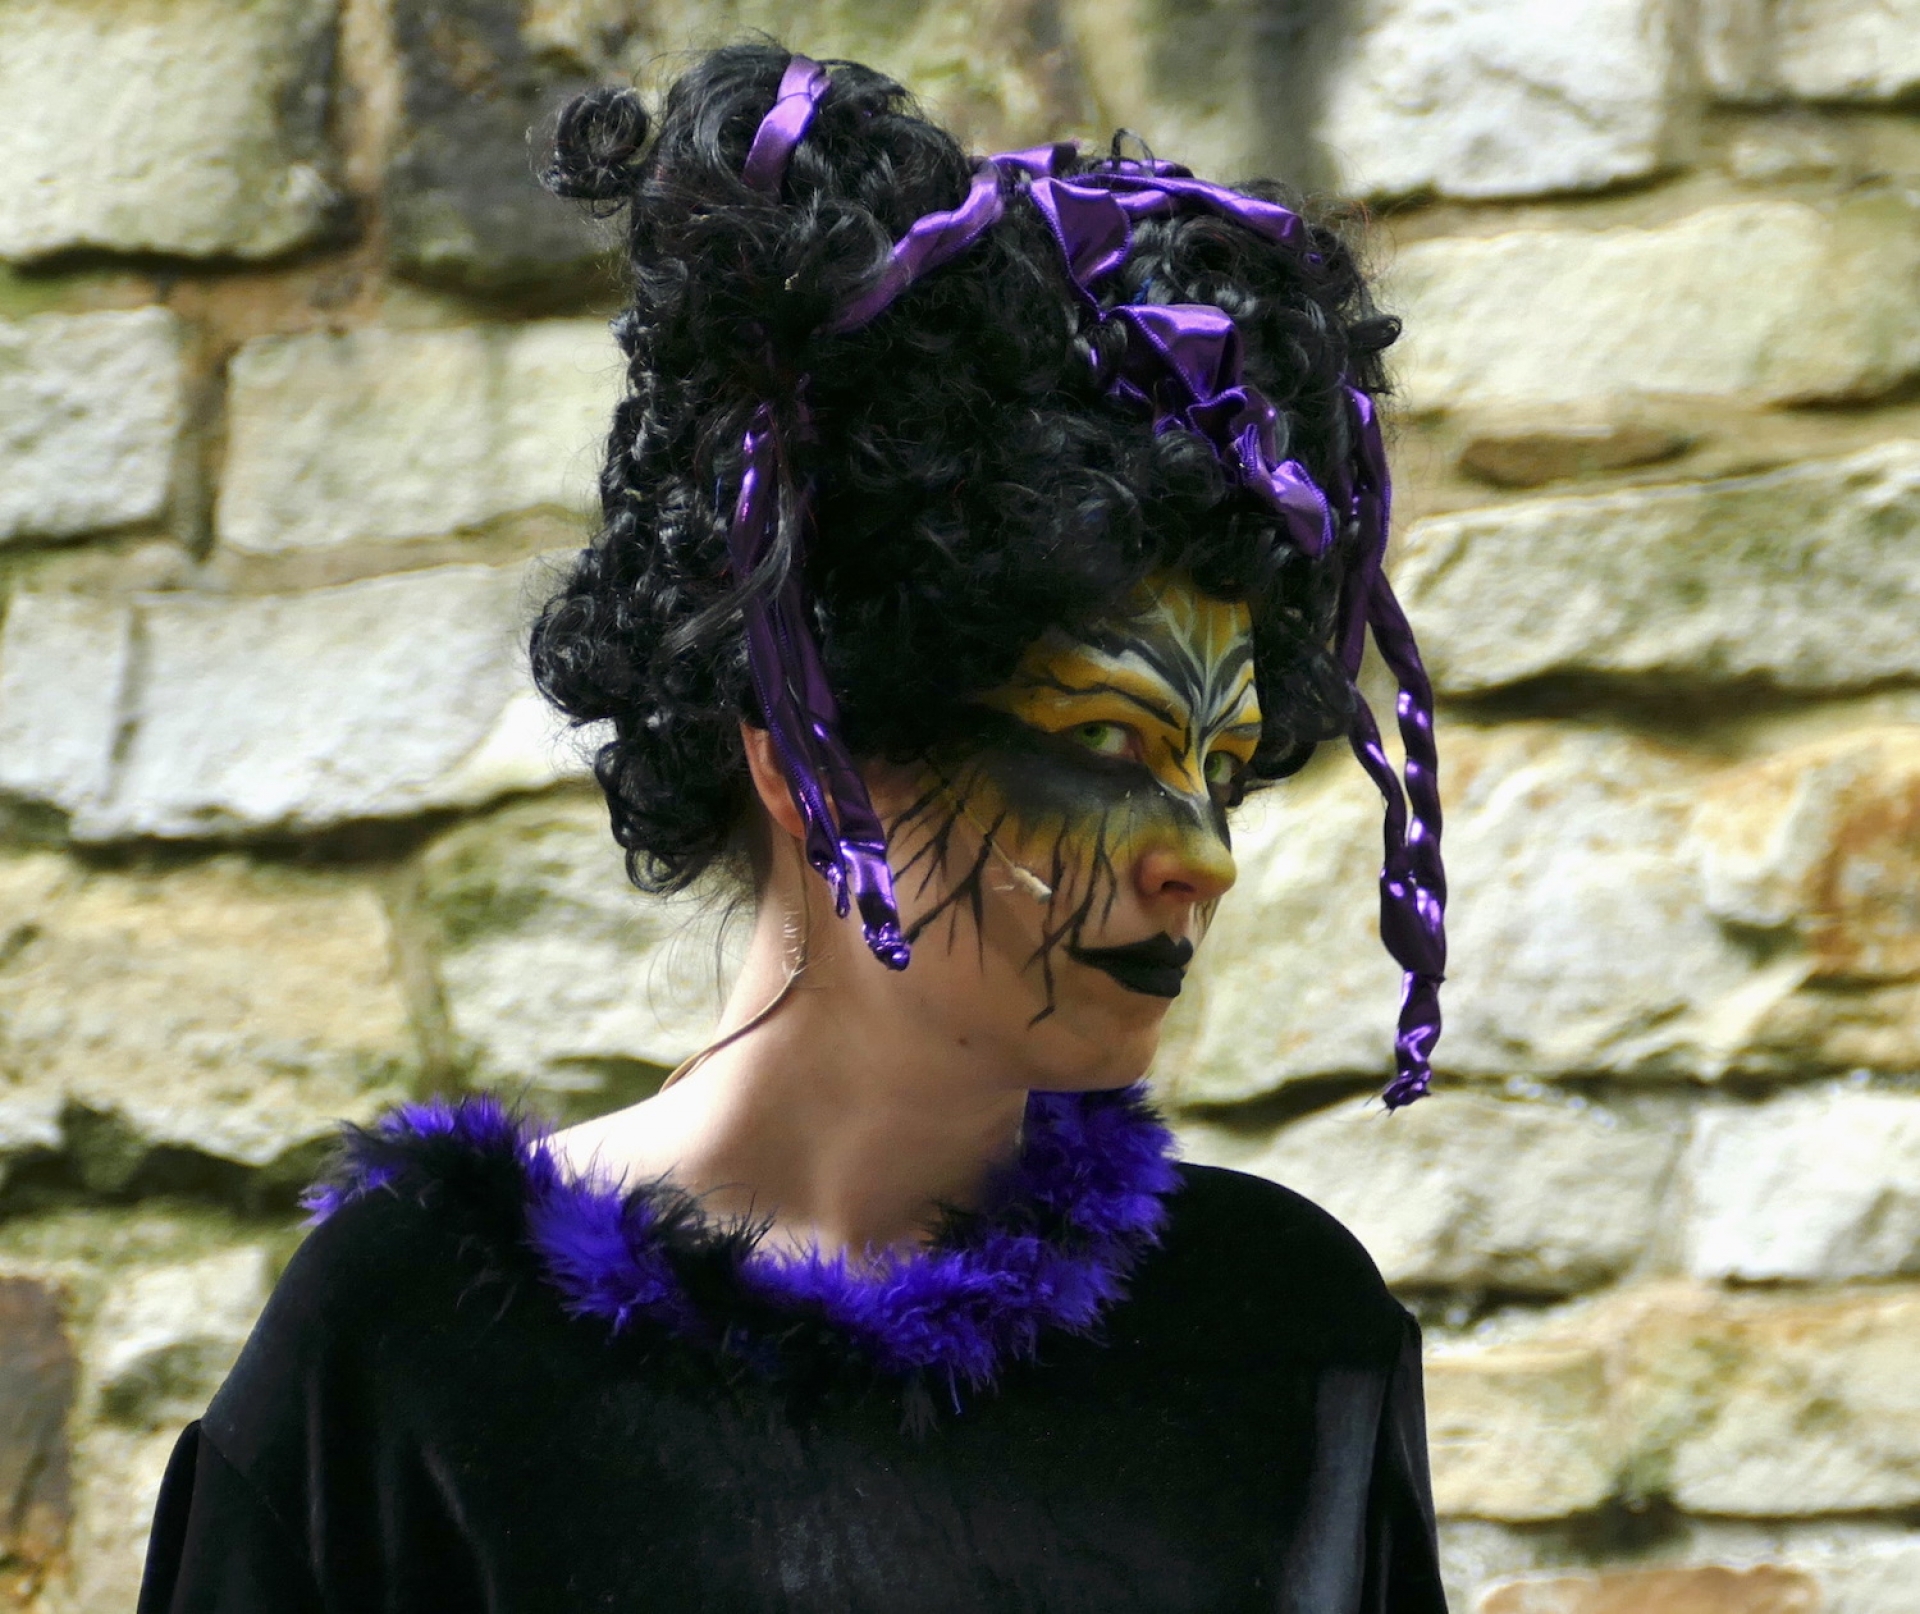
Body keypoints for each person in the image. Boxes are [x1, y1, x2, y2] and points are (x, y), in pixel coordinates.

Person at [138, 42, 1450, 1613]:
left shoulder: (1280, 1341)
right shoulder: (426, 1352)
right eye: (1105, 744)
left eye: (1220, 767)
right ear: (804, 750)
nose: (1205, 857)